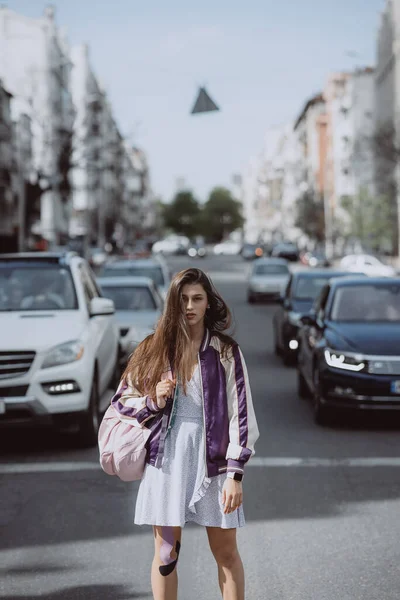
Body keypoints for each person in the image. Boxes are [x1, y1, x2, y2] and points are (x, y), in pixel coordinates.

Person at [110, 267, 259, 600]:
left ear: (209, 303)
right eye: (183, 299)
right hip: (167, 460)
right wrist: (153, 401)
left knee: (226, 553)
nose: (190, 306)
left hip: (216, 465)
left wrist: (236, 475)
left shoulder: (225, 351)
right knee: (166, 556)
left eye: (197, 298)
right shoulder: (153, 348)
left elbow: (241, 414)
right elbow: (121, 402)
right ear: (173, 304)